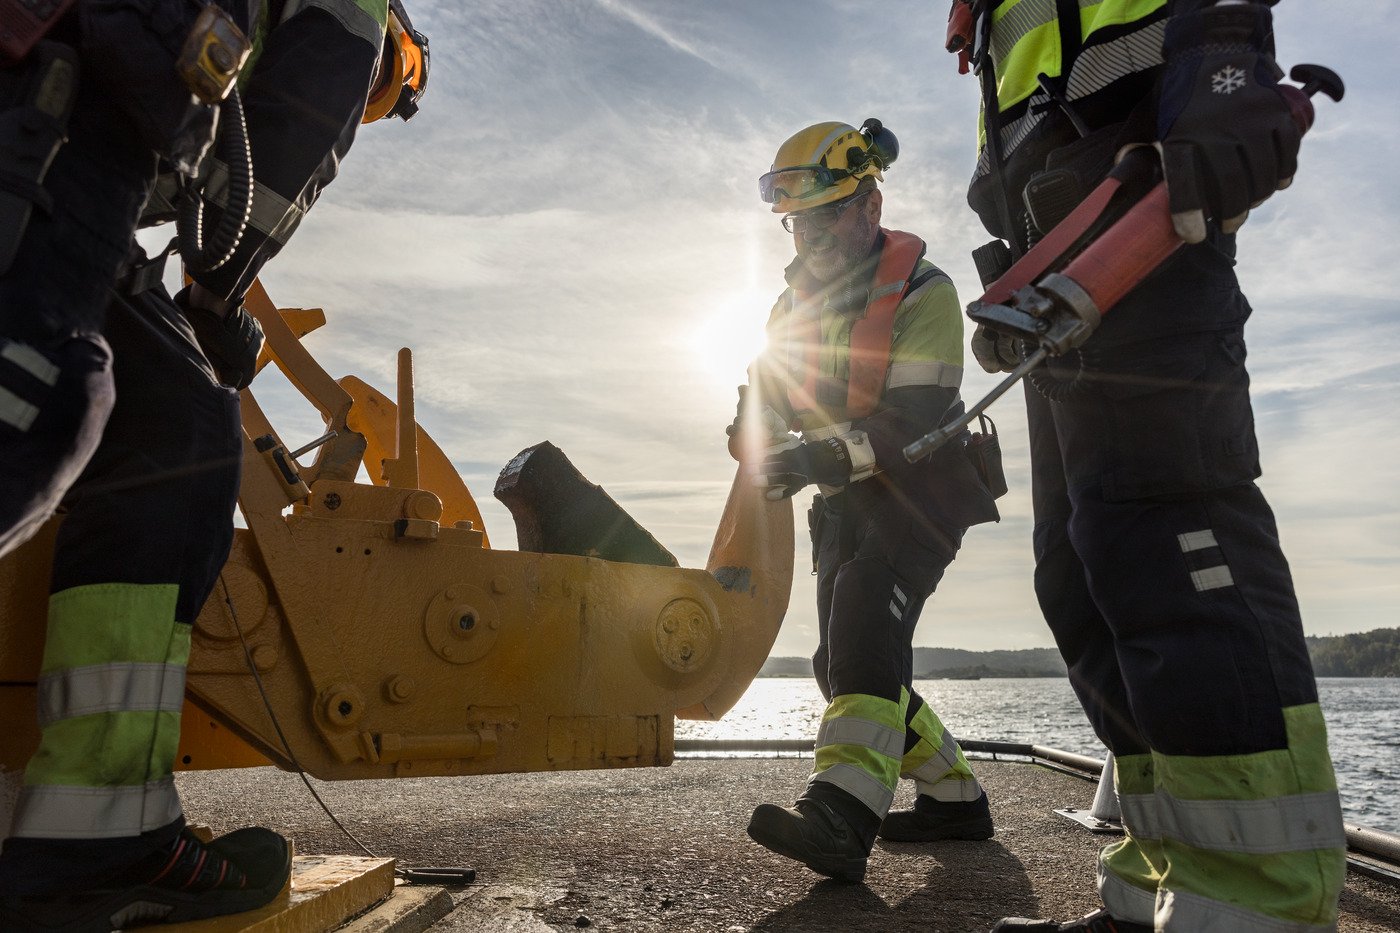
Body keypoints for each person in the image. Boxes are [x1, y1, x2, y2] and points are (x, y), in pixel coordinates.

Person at [0, 0, 426, 927]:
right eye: (391, 90)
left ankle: (98, 830)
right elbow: (285, 152)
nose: (372, 105)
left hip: (76, 126)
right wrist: (214, 298)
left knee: (170, 419)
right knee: (54, 404)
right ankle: (97, 835)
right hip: (52, 117)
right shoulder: (355, 19)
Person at [942, 0, 1348, 929]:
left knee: (1169, 540)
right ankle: (1153, 881)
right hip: (1056, 273)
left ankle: (1258, 900)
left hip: (1147, 239)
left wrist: (1227, 76)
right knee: (1082, 576)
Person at [731, 119, 1002, 884]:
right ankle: (956, 797)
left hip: (924, 495)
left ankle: (842, 816)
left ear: (867, 208)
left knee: (862, 608)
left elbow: (914, 421)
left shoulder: (927, 291)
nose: (806, 234)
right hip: (844, 502)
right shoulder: (790, 313)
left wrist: (814, 453)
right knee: (839, 661)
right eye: (797, 220)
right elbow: (770, 393)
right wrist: (754, 429)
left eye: (823, 215)